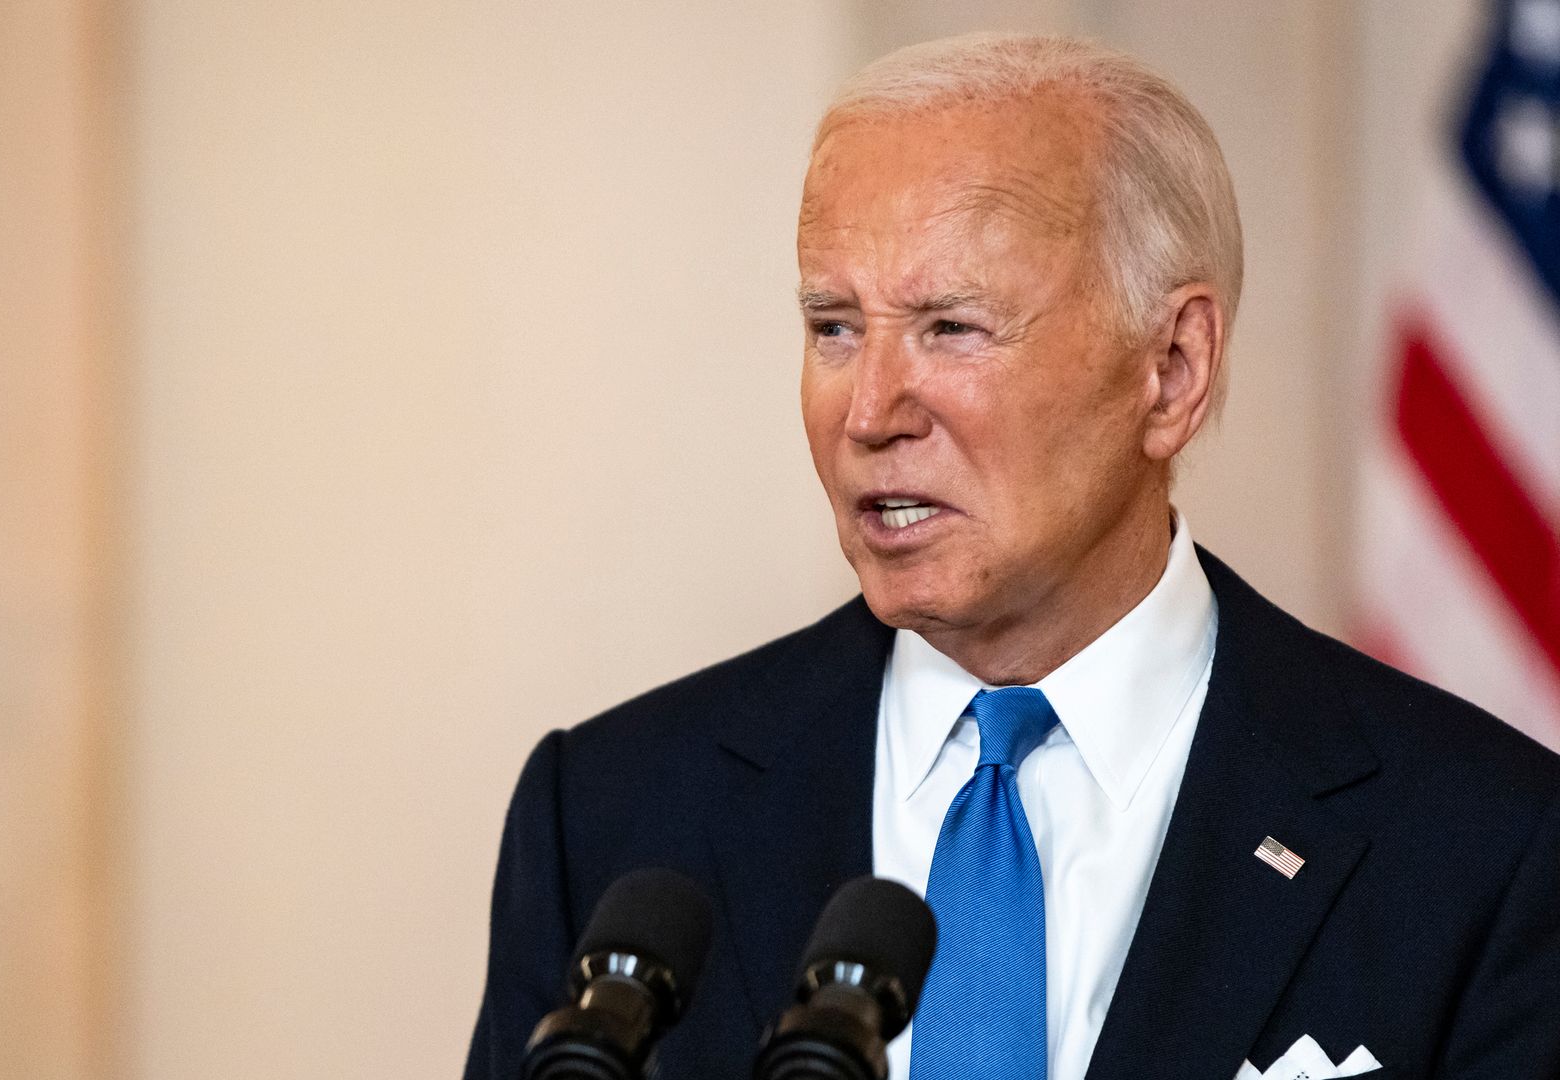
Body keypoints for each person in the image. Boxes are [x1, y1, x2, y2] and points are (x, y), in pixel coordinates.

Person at [465, 32, 1560, 1080]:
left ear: (1172, 369)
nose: (870, 412)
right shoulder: (607, 815)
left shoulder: (1484, 847)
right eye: (834, 326)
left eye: (952, 328)